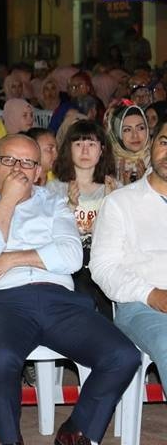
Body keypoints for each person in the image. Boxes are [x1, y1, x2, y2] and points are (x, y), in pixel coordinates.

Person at [0, 134, 140, 445]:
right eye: (10, 160)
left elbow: (71, 257)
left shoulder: (54, 203)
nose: (19, 169)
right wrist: (8, 201)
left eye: (28, 162)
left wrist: (12, 258)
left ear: (39, 171)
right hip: (1, 301)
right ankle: (11, 439)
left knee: (122, 355)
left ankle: (75, 432)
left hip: (59, 300)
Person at [90, 117, 167, 389]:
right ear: (151, 146)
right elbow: (103, 267)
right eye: (164, 142)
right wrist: (151, 294)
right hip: (142, 305)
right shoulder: (121, 202)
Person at [46, 119, 119, 319]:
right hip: (70, 264)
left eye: (91, 144)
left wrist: (111, 203)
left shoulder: (113, 187)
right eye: (78, 144)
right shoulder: (54, 189)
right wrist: (69, 205)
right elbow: (48, 233)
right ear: (68, 149)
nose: (85, 151)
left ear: (102, 149)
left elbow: (121, 234)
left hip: (103, 260)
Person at [104, 101, 149, 185]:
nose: (135, 135)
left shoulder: (158, 161)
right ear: (117, 135)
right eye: (127, 130)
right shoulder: (107, 164)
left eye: (141, 128)